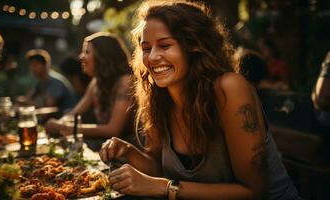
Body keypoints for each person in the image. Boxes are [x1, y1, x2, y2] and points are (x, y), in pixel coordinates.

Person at [99, 1, 299, 199]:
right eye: (146, 48)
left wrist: (165, 188)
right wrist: (128, 151)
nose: (152, 57)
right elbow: (158, 169)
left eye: (165, 45)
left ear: (194, 46)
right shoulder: (159, 97)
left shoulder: (229, 87)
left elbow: (254, 191)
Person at [45, 32, 134, 150]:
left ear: (103, 56)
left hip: (127, 153)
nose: (80, 56)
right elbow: (74, 114)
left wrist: (66, 128)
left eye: (87, 52)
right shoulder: (96, 82)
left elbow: (113, 129)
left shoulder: (125, 81)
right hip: (106, 148)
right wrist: (60, 123)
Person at [23, 49, 77, 114]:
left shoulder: (55, 82)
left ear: (45, 65)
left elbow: (48, 106)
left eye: (35, 65)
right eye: (31, 65)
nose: (32, 68)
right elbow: (28, 97)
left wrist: (26, 102)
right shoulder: (40, 83)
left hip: (66, 117)